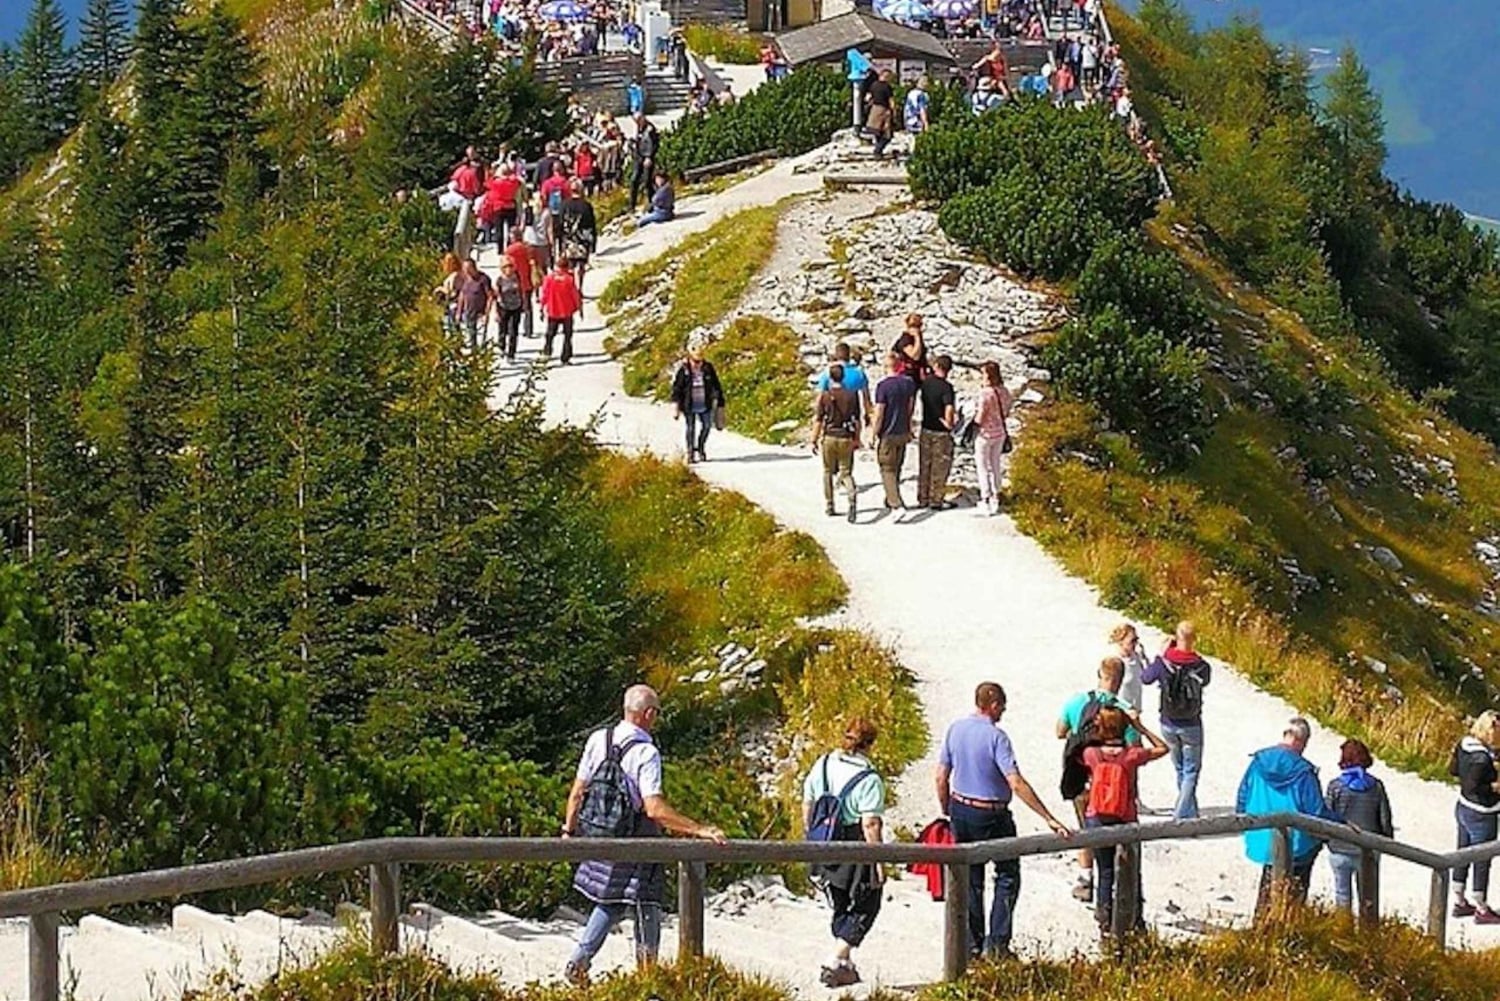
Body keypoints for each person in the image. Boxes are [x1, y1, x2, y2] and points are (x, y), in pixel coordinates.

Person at [562, 685, 726, 985]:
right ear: (649, 714)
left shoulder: (598, 739)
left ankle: (579, 961)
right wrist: (698, 828)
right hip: (635, 838)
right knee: (647, 903)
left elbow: (577, 793)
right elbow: (654, 808)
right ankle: (647, 975)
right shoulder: (646, 752)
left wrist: (569, 832)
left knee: (609, 902)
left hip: (599, 834)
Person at [937, 682, 1071, 959]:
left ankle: (972, 944)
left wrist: (946, 809)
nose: (1003, 712)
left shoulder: (955, 729)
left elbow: (941, 776)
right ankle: (997, 944)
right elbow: (1015, 782)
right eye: (1002, 707)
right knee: (1008, 875)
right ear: (994, 705)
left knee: (970, 878)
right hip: (992, 813)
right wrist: (1048, 817)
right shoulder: (997, 737)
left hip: (961, 808)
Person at [802, 719, 886, 988]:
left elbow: (808, 801)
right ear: (870, 744)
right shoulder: (869, 778)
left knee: (838, 898)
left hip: (824, 838)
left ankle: (844, 963)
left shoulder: (824, 763)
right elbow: (870, 823)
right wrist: (879, 862)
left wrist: (811, 836)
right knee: (867, 901)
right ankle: (835, 958)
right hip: (854, 841)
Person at [1236, 718, 1338, 919]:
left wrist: (1245, 823)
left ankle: (1261, 927)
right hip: (1298, 844)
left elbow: (1242, 796)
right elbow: (1315, 811)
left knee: (1268, 883)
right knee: (1295, 891)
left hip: (1263, 836)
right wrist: (1339, 823)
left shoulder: (1258, 762)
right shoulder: (1303, 772)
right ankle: (1289, 927)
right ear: (1302, 741)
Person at [1056, 656, 1137, 904]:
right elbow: (1132, 749)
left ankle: (1085, 879)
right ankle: (1114, 890)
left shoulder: (1077, 701)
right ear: (1121, 679)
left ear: (1099, 674)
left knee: (1085, 825)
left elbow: (1060, 731)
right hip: (1114, 784)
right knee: (1117, 835)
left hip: (1082, 778)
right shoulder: (1124, 710)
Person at [1081, 706, 1167, 936]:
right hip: (1125, 817)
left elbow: (1081, 741)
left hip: (1096, 817)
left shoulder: (1091, 754)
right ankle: (1133, 918)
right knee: (1130, 870)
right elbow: (1163, 748)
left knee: (1105, 869)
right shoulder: (1131, 756)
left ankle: (1104, 918)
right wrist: (1139, 727)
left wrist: (1095, 723)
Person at [1141, 621, 1211, 819]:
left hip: (1168, 722)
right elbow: (1205, 681)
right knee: (1191, 771)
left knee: (1180, 768)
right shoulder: (1201, 665)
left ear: (1176, 636)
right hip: (1192, 723)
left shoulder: (1165, 661)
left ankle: (1190, 812)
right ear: (1194, 638)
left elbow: (1146, 678)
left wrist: (1161, 655)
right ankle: (1181, 816)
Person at [1324, 738, 1393, 914]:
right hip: (1368, 850)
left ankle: (1343, 931)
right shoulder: (1376, 786)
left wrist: (1326, 841)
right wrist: (1387, 842)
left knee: (1342, 896)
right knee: (1368, 899)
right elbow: (1384, 819)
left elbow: (1327, 817)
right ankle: (1368, 935)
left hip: (1340, 849)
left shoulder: (1336, 786)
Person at [1450, 711, 1500, 922]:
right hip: (1482, 812)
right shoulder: (1481, 759)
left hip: (1463, 807)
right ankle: (1481, 907)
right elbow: (1476, 786)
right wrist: (1495, 786)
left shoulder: (1465, 745)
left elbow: (1453, 770)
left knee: (1463, 853)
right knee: (1482, 858)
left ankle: (1459, 900)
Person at [812, 362, 862, 522]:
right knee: (846, 472)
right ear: (843, 376)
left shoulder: (825, 396)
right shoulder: (852, 395)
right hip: (846, 436)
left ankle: (829, 504)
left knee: (827, 471)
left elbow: (818, 419)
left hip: (829, 437)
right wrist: (857, 438)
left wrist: (814, 439)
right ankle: (852, 497)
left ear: (830, 377)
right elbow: (857, 420)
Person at [871, 350, 917, 512]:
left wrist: (873, 433)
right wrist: (909, 426)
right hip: (903, 430)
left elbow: (879, 413)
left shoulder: (883, 386)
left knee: (887, 469)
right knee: (897, 466)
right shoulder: (909, 383)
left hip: (888, 433)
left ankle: (896, 505)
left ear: (886, 366)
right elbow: (910, 407)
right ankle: (891, 498)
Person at [916, 354, 956, 511]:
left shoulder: (926, 384)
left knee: (924, 464)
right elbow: (949, 408)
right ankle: (936, 499)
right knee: (940, 466)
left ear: (937, 366)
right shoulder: (947, 388)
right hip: (941, 432)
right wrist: (949, 423)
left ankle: (922, 497)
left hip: (926, 427)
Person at [670, 348, 725, 463]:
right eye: (695, 361)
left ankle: (700, 447)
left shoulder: (708, 368)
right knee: (691, 428)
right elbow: (677, 388)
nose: (697, 364)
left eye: (700, 361)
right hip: (689, 403)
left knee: (707, 426)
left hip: (705, 402)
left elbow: (716, 385)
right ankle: (690, 452)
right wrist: (676, 406)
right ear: (691, 358)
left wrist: (720, 401)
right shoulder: (684, 370)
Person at [974, 360, 1010, 516]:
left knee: (982, 466)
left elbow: (980, 416)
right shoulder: (1004, 391)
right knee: (995, 465)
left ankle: (985, 498)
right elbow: (1007, 410)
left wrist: (972, 422)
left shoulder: (985, 393)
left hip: (985, 434)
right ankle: (997, 495)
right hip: (1000, 432)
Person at [555, 179, 598, 309]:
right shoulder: (586, 205)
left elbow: (559, 224)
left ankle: (572, 287)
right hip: (582, 239)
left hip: (568, 239)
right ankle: (580, 288)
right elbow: (592, 225)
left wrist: (558, 240)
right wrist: (594, 242)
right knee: (581, 265)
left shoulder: (564, 205)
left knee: (569, 266)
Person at [540, 257, 583, 364]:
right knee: (567, 335)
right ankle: (565, 357)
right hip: (567, 311)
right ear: (567, 266)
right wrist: (580, 308)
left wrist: (542, 307)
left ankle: (547, 352)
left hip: (553, 311)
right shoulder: (570, 279)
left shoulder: (549, 278)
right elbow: (575, 295)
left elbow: (544, 294)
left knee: (550, 334)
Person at [815, 343, 873, 420]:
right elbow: (866, 398)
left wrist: (817, 415)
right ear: (849, 355)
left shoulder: (828, 372)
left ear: (836, 355)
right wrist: (867, 414)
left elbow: (820, 396)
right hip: (852, 415)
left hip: (833, 414)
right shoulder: (859, 373)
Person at [504, 226, 540, 340]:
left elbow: (506, 266)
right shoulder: (529, 248)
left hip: (514, 282)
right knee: (528, 306)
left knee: (512, 306)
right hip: (528, 280)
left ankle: (511, 330)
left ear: (513, 236)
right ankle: (528, 330)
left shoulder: (510, 250)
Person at [1108, 623, 1148, 720]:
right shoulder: (1115, 661)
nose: (1135, 644)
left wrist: (1144, 656)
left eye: (1137, 640)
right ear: (1121, 642)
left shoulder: (1137, 656)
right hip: (1120, 712)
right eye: (1132, 641)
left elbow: (1147, 676)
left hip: (1135, 711)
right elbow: (1109, 691)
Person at [455, 257, 493, 351]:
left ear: (474, 267)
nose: (466, 271)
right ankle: (474, 350)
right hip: (468, 310)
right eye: (464, 269)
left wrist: (487, 313)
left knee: (480, 334)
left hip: (480, 311)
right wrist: (459, 311)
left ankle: (480, 350)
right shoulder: (464, 279)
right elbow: (462, 295)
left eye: (468, 269)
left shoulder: (483, 279)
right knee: (471, 333)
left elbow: (490, 296)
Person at [496, 256, 525, 362]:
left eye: (511, 266)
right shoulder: (500, 280)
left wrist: (524, 303)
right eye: (506, 266)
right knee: (503, 329)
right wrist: (496, 312)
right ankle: (501, 346)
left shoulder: (517, 277)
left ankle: (511, 353)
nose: (509, 269)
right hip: (503, 307)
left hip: (516, 306)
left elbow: (521, 290)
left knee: (513, 331)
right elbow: (497, 295)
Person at [628, 113, 659, 211]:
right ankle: (631, 205)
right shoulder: (639, 128)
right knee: (634, 180)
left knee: (647, 181)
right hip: (639, 157)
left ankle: (652, 201)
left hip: (647, 157)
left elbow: (653, 144)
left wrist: (649, 157)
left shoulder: (650, 129)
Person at [864, 69, 895, 157]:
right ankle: (878, 150)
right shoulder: (887, 87)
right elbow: (891, 101)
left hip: (874, 110)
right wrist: (894, 112)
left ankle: (878, 152)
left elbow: (868, 98)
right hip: (884, 110)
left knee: (877, 132)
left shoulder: (873, 85)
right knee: (887, 135)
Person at [893, 313, 928, 384]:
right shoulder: (906, 339)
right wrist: (917, 337)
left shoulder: (913, 339)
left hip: (916, 374)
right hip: (907, 375)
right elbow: (915, 356)